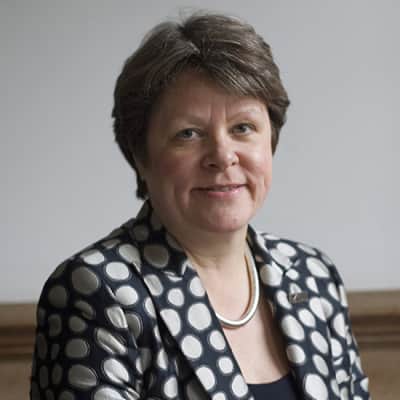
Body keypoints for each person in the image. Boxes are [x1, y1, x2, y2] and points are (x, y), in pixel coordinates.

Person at [30, 12, 371, 400]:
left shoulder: (313, 276)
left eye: (242, 128)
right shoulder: (97, 291)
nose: (222, 156)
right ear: (140, 155)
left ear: (271, 139)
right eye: (188, 134)